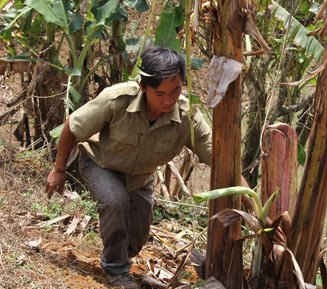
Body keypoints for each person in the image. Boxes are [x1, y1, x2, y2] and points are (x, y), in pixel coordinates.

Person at [45, 46, 212, 289]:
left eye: (175, 91)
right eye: (160, 93)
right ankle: (116, 271)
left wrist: (245, 196)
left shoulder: (189, 117)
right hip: (100, 163)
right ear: (144, 86)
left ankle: (121, 258)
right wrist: (58, 170)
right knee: (115, 202)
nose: (168, 101)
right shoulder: (117, 99)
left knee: (139, 230)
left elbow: (217, 157)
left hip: (141, 176)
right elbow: (73, 125)